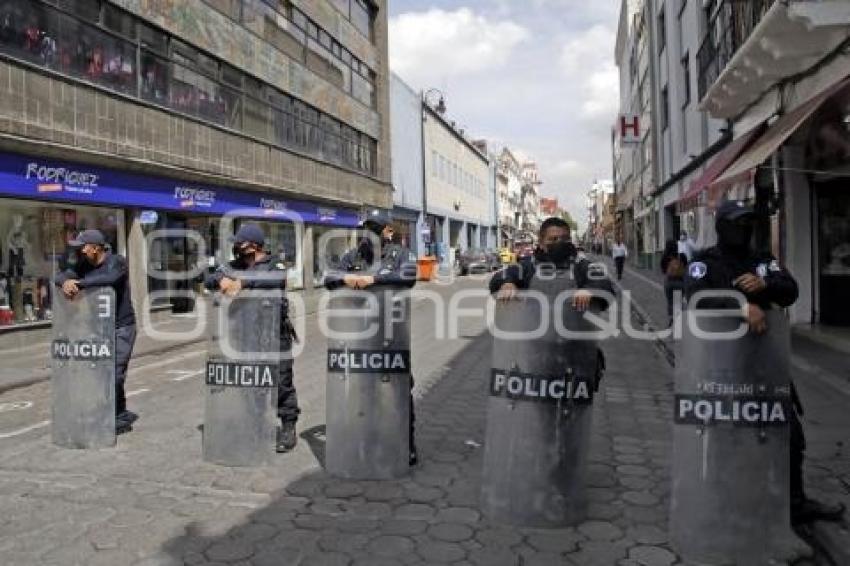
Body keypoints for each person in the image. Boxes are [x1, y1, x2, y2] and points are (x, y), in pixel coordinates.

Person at [684, 199, 845, 525]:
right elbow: (694, 296)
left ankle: (794, 505)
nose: (742, 230)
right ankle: (723, 502)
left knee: (789, 433)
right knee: (724, 436)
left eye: (747, 223)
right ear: (721, 226)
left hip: (764, 362)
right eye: (736, 223)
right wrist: (739, 304)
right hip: (722, 365)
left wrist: (766, 284)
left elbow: (790, 291)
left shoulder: (762, 261)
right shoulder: (705, 263)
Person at [324, 210, 419, 464]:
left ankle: (405, 444)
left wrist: (373, 279)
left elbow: (409, 276)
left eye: (374, 228)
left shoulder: (400, 254)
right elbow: (329, 278)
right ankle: (367, 438)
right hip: (359, 335)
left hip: (391, 334)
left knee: (398, 390)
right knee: (364, 389)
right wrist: (346, 277)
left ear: (387, 231)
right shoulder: (353, 255)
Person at [205, 224, 300, 453]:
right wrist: (220, 281)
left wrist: (242, 282)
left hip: (275, 334)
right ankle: (255, 424)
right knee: (251, 383)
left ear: (254, 245)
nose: (237, 248)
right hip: (246, 335)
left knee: (281, 382)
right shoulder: (234, 265)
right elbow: (210, 277)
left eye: (241, 243)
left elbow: (274, 279)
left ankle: (288, 427)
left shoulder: (274, 263)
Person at [490, 217, 614, 390]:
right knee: (538, 411)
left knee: (573, 413)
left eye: (564, 239)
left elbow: (605, 284)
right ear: (541, 242)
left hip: (575, 353)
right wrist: (507, 283)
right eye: (553, 239)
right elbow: (500, 276)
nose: (559, 243)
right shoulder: (528, 267)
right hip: (534, 353)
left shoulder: (582, 266)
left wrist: (590, 290)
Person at [56, 229, 137, 435]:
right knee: (100, 371)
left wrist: (80, 284)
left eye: (84, 246)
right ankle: (119, 413)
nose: (80, 250)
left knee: (114, 373)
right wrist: (65, 282)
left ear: (96, 248)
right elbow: (62, 274)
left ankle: (115, 417)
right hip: (98, 327)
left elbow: (110, 278)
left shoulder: (116, 261)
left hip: (121, 327)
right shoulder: (83, 264)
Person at [660, 239, 688, 327]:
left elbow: (663, 270)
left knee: (670, 301)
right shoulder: (682, 256)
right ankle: (679, 319)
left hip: (669, 282)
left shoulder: (665, 257)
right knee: (678, 301)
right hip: (680, 282)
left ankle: (672, 319)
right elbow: (686, 268)